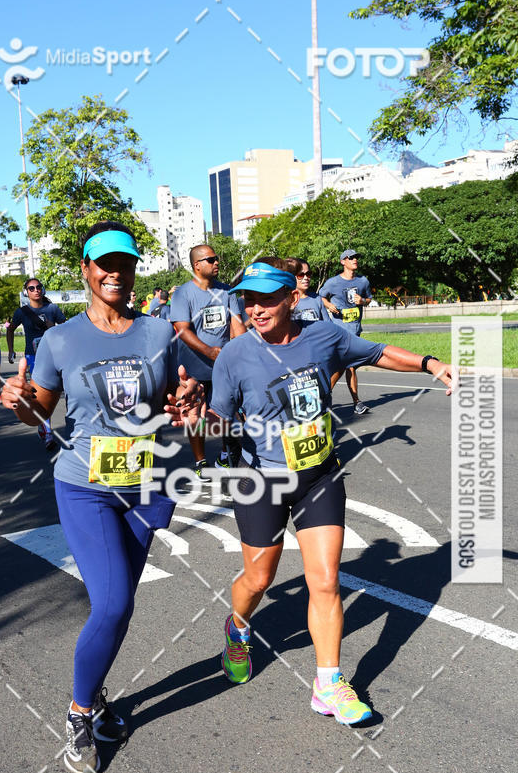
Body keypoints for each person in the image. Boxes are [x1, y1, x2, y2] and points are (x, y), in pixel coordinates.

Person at [169, 259, 453, 726]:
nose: (256, 308)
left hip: (319, 475)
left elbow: (377, 351)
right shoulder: (235, 355)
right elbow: (220, 421)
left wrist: (431, 364)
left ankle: (328, 684)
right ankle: (238, 627)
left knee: (324, 580)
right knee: (259, 580)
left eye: (266, 298)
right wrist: (197, 413)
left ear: (291, 299)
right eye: (249, 299)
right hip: (260, 479)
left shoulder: (324, 337)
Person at [1, 220, 201, 773]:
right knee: (112, 603)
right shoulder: (60, 339)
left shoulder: (158, 333)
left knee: (117, 605)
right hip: (84, 486)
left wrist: (186, 399)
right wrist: (20, 403)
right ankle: (79, 712)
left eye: (125, 263)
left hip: (145, 483)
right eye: (103, 264)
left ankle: (95, 692)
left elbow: (167, 403)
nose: (115, 272)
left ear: (135, 269)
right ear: (86, 270)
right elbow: (41, 409)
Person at [171, 244, 246, 478]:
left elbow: (237, 325)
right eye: (211, 260)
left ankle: (225, 455)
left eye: (216, 259)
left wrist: (242, 352)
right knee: (196, 415)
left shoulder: (227, 292)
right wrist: (209, 351)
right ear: (197, 265)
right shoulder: (183, 293)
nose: (216, 263)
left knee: (228, 411)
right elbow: (181, 329)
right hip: (194, 366)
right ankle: (200, 461)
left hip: (223, 365)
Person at [6, 278, 66, 450]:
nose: (36, 290)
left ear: (43, 289)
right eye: (31, 288)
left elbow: (67, 329)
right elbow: (10, 329)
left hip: (56, 355)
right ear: (26, 292)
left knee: (68, 390)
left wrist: (51, 327)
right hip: (34, 357)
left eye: (39, 287)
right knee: (39, 394)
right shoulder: (22, 312)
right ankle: (47, 433)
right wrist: (11, 350)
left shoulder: (52, 309)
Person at [319, 249, 372, 415]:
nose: (355, 260)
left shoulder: (363, 281)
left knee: (347, 367)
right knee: (347, 366)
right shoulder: (333, 282)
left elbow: (369, 299)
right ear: (343, 262)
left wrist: (363, 301)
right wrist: (329, 306)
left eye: (356, 257)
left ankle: (322, 397)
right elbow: (320, 297)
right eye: (351, 258)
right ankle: (355, 402)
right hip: (338, 333)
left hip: (355, 331)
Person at [290, 259, 330, 323]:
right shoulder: (287, 302)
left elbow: (328, 325)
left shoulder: (317, 298)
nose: (306, 278)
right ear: (292, 277)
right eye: (301, 275)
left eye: (308, 274)